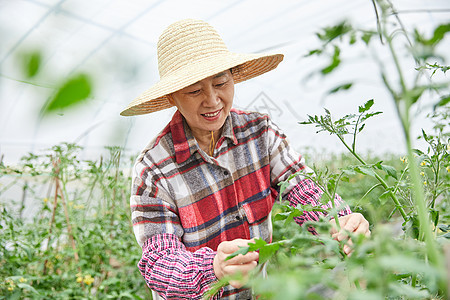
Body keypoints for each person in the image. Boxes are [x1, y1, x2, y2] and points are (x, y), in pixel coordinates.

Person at [120, 19, 370, 300]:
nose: (213, 100)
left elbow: (301, 186)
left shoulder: (259, 133)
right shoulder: (154, 169)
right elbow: (160, 261)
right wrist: (212, 267)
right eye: (194, 91)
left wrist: (339, 222)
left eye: (221, 82)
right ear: (172, 97)